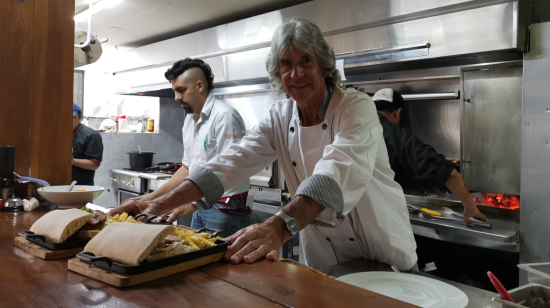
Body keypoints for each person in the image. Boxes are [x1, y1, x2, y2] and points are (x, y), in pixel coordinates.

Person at [110, 18, 417, 271]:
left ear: (323, 64)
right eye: (286, 63)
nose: (295, 74)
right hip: (327, 260)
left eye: (305, 61)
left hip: (383, 251)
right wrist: (156, 203)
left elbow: (333, 175)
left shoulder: (355, 106)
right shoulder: (280, 116)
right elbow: (230, 163)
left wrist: (277, 228)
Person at [120, 58, 252, 238]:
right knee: (198, 254)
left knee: (220, 261)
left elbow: (231, 170)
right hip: (199, 203)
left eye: (181, 90)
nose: (176, 97)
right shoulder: (189, 120)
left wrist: (191, 204)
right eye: (174, 91)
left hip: (224, 207)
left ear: (199, 86)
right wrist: (149, 199)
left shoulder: (224, 116)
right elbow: (187, 168)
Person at [372, 88, 487, 225]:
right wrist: (470, 206)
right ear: (398, 113)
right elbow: (448, 174)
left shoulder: (348, 127)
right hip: (379, 221)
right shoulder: (396, 136)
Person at [72, 103, 103, 186]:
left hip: (81, 187)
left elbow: (94, 164)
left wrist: (72, 161)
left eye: (71, 118)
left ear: (80, 117)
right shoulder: (58, 134)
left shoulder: (91, 135)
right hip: (59, 186)